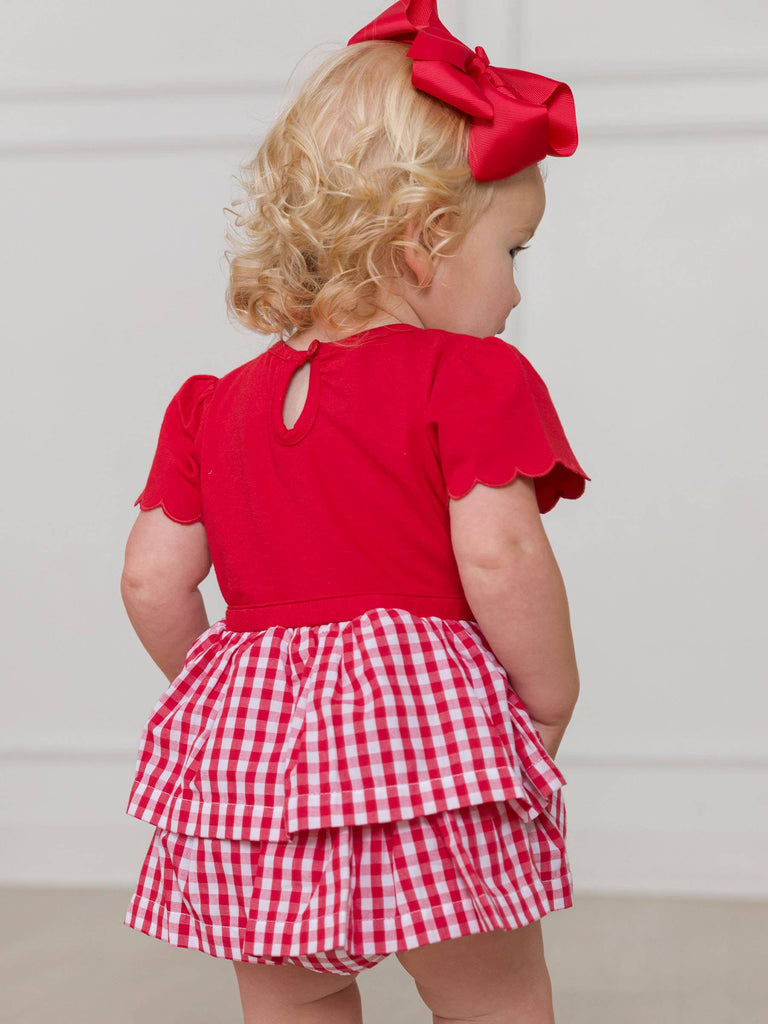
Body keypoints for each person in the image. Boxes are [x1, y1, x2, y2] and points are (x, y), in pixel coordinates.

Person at [120, 2, 591, 1021]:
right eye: (513, 253)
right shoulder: (469, 379)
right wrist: (548, 696)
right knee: (494, 992)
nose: (515, 295)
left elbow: (152, 578)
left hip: (269, 780)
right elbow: (502, 561)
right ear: (426, 244)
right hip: (427, 758)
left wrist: (234, 708)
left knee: (293, 1000)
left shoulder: (214, 403)